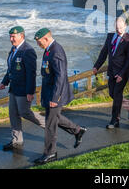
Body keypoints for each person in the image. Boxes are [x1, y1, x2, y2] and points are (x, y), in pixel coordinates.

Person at [33, 28, 87, 165]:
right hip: (49, 91)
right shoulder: (48, 49)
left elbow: (60, 76)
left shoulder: (56, 51)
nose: (38, 45)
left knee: (50, 124)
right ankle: (77, 130)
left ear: (46, 38)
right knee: (53, 118)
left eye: (39, 42)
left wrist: (55, 97)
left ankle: (50, 153)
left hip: (55, 93)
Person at [0, 26, 45, 151]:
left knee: (25, 112)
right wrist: (4, 82)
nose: (11, 39)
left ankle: (49, 125)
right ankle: (16, 141)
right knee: (13, 114)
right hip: (13, 89)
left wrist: (30, 92)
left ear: (21, 36)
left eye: (13, 36)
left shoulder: (28, 50)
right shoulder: (13, 49)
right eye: (10, 36)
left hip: (23, 90)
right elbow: (11, 69)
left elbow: (31, 73)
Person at [93, 17, 129, 129]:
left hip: (122, 73)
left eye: (121, 28)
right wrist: (97, 66)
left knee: (117, 95)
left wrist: (121, 74)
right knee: (112, 94)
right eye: (117, 28)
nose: (119, 30)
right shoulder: (110, 36)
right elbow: (104, 53)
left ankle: (115, 120)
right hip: (111, 71)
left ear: (125, 26)